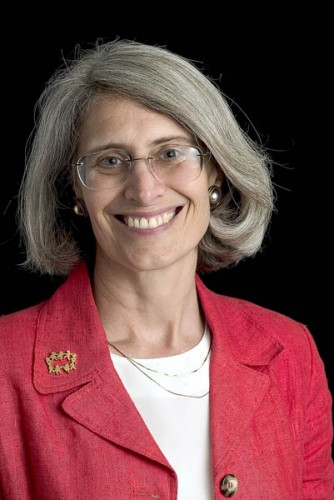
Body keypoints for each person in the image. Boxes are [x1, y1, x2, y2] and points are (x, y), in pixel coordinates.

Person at [0, 38, 333, 500]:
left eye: (171, 153)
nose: (144, 189)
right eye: (110, 161)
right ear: (76, 190)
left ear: (214, 171)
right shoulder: (6, 365)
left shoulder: (291, 354)